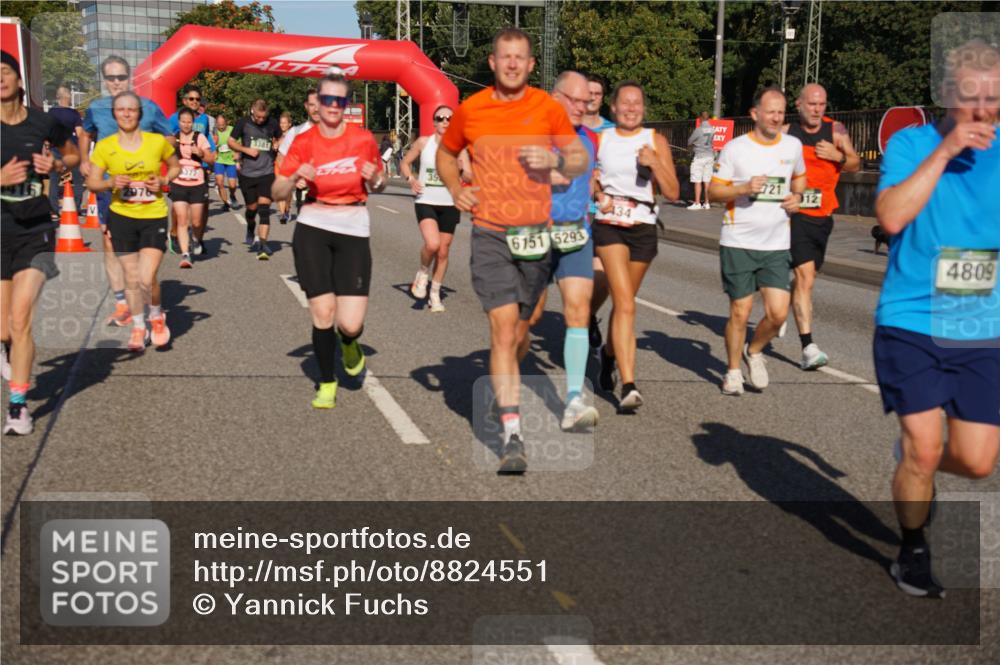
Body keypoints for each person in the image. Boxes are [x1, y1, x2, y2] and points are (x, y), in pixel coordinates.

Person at [874, 39, 1000, 598]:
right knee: (925, 446)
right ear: (948, 95)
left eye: (993, 97)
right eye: (971, 97)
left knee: (976, 463)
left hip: (982, 327)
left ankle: (916, 467)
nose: (983, 109)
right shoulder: (912, 143)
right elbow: (892, 216)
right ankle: (913, 548)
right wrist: (946, 150)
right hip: (911, 318)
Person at [437, 27, 588, 474]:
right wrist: (454, 188)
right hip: (489, 233)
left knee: (524, 330)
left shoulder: (546, 107)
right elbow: (448, 154)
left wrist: (557, 161)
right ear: (492, 62)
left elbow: (578, 157)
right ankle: (512, 434)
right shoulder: (472, 110)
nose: (513, 64)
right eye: (506, 57)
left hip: (535, 236)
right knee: (503, 331)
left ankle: (504, 391)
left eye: (521, 57)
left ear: (531, 64)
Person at [272, 71, 386, 409]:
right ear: (317, 105)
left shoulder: (363, 139)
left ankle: (349, 343)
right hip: (314, 224)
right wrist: (293, 177)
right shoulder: (303, 142)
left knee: (350, 323)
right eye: (327, 100)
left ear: (345, 105)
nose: (334, 106)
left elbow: (379, 182)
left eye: (340, 100)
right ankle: (326, 381)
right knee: (322, 313)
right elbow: (276, 189)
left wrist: (377, 177)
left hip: (353, 225)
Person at [708, 86, 806, 395]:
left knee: (778, 313)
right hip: (738, 240)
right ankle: (733, 371)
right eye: (771, 111)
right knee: (741, 311)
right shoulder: (736, 149)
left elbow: (799, 178)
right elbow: (713, 192)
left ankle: (755, 350)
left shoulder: (792, 146)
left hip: (777, 243)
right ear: (755, 114)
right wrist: (743, 188)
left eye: (781, 112)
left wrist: (798, 197)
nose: (776, 117)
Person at [1, 51, 79, 435]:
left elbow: (74, 154)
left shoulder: (43, 122)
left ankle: (17, 405)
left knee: (21, 319)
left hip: (36, 232)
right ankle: (7, 350)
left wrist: (60, 167)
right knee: (3, 329)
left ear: (19, 80)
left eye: (4, 72)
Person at [593, 81, 679, 411]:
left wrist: (655, 163)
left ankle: (608, 353)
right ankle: (629, 384)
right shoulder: (602, 139)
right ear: (613, 108)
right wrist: (598, 193)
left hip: (643, 226)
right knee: (626, 302)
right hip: (610, 225)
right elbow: (589, 178)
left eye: (637, 103)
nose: (631, 108)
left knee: (623, 303)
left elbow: (672, 191)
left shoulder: (655, 140)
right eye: (625, 103)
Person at [524, 71, 600, 431]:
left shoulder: (589, 140)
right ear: (555, 98)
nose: (584, 108)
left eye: (588, 102)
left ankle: (573, 399)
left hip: (575, 235)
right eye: (577, 101)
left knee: (578, 310)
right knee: (529, 319)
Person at [80, 55, 173, 329]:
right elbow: (85, 132)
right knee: (109, 243)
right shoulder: (96, 108)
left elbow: (168, 137)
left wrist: (158, 165)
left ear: (130, 78)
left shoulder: (148, 107)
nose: (117, 82)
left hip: (143, 191)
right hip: (110, 186)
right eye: (111, 78)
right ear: (105, 81)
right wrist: (85, 159)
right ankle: (122, 302)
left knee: (139, 251)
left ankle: (144, 296)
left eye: (121, 77)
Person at [783, 84, 861, 369]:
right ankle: (808, 348)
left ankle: (785, 308)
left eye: (822, 105)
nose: (817, 109)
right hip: (796, 212)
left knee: (808, 277)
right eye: (812, 104)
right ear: (799, 103)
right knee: (805, 279)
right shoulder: (787, 132)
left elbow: (854, 163)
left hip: (824, 215)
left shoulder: (836, 130)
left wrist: (838, 156)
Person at [399, 104, 469, 312]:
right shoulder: (423, 142)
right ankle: (422, 272)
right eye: (440, 118)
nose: (445, 122)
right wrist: (411, 179)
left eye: (449, 118)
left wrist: (465, 170)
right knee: (432, 244)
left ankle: (435, 294)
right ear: (434, 122)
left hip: (449, 203)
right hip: (426, 200)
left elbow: (468, 174)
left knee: (443, 251)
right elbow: (405, 163)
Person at [582, 73, 614, 349]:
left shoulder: (613, 132)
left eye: (597, 93)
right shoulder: (567, 127)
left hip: (604, 213)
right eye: (587, 93)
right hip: (571, 213)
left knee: (601, 278)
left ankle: (588, 316)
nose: (592, 98)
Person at [229, 98, 280, 259]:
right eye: (258, 117)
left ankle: (263, 245)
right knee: (252, 209)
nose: (260, 120)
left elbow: (281, 137)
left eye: (263, 117)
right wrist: (245, 149)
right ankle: (250, 227)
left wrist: (278, 143)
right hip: (248, 174)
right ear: (252, 110)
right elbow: (231, 142)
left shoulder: (272, 123)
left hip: (267, 172)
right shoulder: (243, 123)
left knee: (264, 210)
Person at [168, 85, 215, 253]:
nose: (194, 102)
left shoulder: (203, 119)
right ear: (184, 100)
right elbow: (167, 138)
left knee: (204, 207)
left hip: (200, 167)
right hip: (181, 168)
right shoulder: (174, 118)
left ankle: (198, 240)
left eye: (197, 99)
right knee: (179, 208)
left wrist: (208, 159)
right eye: (191, 99)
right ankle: (174, 234)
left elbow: (207, 139)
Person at [276, 90, 321, 221]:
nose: (317, 108)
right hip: (306, 189)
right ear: (306, 106)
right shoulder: (296, 131)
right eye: (312, 104)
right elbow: (281, 158)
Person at [47, 84, 84, 217]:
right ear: (68, 98)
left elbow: (47, 131)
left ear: (58, 98)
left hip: (55, 148)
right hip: (71, 150)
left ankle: (54, 209)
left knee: (54, 180)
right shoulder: (74, 114)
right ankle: (76, 207)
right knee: (78, 180)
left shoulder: (51, 113)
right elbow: (80, 134)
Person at [687, 111, 715, 210]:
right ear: (708, 118)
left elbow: (689, 141)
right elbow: (712, 143)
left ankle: (697, 203)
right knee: (707, 180)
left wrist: (694, 145)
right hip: (710, 156)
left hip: (699, 157)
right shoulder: (712, 130)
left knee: (697, 180)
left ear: (700, 118)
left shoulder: (699, 130)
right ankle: (707, 203)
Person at [213, 114, 240, 211]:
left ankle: (232, 195)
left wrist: (237, 153)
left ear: (226, 123)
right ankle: (225, 203)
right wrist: (214, 151)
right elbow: (211, 145)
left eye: (222, 124)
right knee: (220, 183)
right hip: (219, 160)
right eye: (219, 125)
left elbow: (239, 143)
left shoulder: (232, 130)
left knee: (232, 185)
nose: (220, 127)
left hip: (231, 160)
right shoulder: (214, 132)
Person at [276, 111, 294, 224]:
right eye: (281, 123)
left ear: (289, 124)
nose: (282, 125)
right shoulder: (276, 135)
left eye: (284, 123)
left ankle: (287, 209)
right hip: (277, 165)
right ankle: (282, 214)